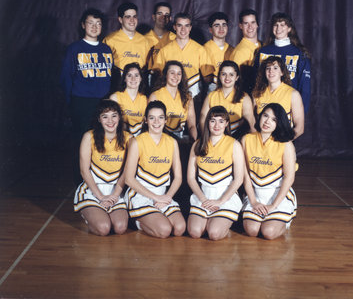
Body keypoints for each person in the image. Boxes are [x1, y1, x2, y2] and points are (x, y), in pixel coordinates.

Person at [60, 8, 113, 184]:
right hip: (81, 102)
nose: (94, 27)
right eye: (91, 23)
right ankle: (81, 183)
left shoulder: (106, 49)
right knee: (83, 143)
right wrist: (71, 104)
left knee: (102, 142)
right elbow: (66, 78)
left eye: (98, 23)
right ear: (83, 25)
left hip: (102, 103)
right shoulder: (74, 49)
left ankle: (99, 180)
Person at [123, 101, 186, 238]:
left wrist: (167, 197)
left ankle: (152, 219)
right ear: (146, 120)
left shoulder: (172, 142)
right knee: (164, 230)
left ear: (165, 120)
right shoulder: (137, 142)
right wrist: (155, 197)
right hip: (141, 195)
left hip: (162, 195)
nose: (156, 122)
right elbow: (128, 179)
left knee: (180, 228)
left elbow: (179, 177)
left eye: (160, 117)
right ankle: (137, 220)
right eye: (152, 118)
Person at [187, 106, 245, 240]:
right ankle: (212, 221)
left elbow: (239, 179)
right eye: (213, 121)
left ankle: (221, 225)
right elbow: (190, 177)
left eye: (221, 121)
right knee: (195, 232)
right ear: (207, 122)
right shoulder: (198, 144)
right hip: (204, 195)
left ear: (226, 124)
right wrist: (203, 199)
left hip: (225, 196)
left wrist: (220, 201)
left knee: (213, 233)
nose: (217, 125)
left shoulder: (234, 144)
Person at [73, 100, 130, 236]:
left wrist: (115, 195)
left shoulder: (129, 138)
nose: (110, 120)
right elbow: (84, 171)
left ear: (120, 117)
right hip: (93, 190)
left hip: (115, 191)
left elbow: (127, 173)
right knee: (104, 228)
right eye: (105, 116)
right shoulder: (89, 137)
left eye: (114, 115)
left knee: (120, 228)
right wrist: (100, 197)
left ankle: (101, 214)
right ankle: (89, 213)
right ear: (99, 119)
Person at [241, 103, 297, 240]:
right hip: (256, 194)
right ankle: (263, 217)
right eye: (265, 116)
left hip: (278, 195)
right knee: (252, 230)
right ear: (259, 117)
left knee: (268, 232)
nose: (267, 121)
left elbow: (289, 178)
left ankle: (284, 220)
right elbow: (245, 175)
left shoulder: (286, 144)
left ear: (279, 123)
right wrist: (253, 201)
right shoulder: (247, 139)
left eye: (274, 119)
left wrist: (273, 205)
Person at [255, 12, 311, 113]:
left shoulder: (299, 53)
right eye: (275, 25)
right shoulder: (263, 52)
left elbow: (305, 87)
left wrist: (301, 112)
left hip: (288, 107)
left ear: (289, 28)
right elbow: (256, 81)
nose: (278, 28)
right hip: (264, 107)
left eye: (282, 25)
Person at [152, 12, 214, 100]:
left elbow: (208, 77)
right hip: (170, 93)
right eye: (180, 25)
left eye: (187, 26)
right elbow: (157, 75)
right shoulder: (165, 50)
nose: (183, 29)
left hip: (194, 93)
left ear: (190, 28)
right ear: (174, 27)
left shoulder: (200, 49)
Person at [199, 60, 256, 138]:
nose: (227, 78)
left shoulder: (244, 97)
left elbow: (251, 121)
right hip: (214, 136)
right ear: (219, 76)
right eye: (223, 74)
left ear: (237, 77)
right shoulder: (211, 96)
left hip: (236, 136)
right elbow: (203, 119)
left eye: (231, 74)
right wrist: (206, 139)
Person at [253, 56, 304, 140]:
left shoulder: (293, 94)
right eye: (268, 68)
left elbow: (300, 128)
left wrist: (284, 143)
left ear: (282, 72)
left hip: (283, 141)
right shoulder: (257, 93)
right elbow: (253, 123)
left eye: (275, 68)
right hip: (261, 141)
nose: (271, 71)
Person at [149, 60, 197, 141]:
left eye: (179, 73)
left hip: (179, 139)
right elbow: (151, 124)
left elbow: (192, 125)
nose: (176, 76)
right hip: (160, 138)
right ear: (166, 74)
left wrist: (193, 141)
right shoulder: (155, 96)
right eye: (172, 73)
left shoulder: (187, 97)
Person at [103, 2, 151, 73]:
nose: (132, 20)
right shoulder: (110, 40)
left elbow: (148, 67)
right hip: (118, 82)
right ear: (120, 19)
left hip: (139, 82)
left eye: (134, 16)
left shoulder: (145, 41)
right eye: (128, 17)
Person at [109, 62, 147, 136]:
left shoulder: (145, 99)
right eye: (129, 75)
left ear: (141, 78)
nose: (133, 79)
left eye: (136, 75)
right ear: (124, 79)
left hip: (139, 138)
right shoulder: (115, 98)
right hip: (120, 136)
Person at [230, 9, 262, 93]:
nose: (250, 27)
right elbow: (237, 83)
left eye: (253, 22)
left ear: (257, 24)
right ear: (240, 26)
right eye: (246, 23)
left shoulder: (263, 46)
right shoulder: (239, 52)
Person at [203, 12, 234, 87]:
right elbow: (207, 78)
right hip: (213, 87)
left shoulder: (232, 49)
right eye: (217, 25)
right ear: (210, 30)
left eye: (224, 25)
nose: (221, 28)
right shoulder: (204, 49)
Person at [145, 2, 176, 69]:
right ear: (153, 17)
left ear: (170, 18)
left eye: (166, 15)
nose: (163, 17)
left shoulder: (176, 39)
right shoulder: (144, 39)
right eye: (159, 14)